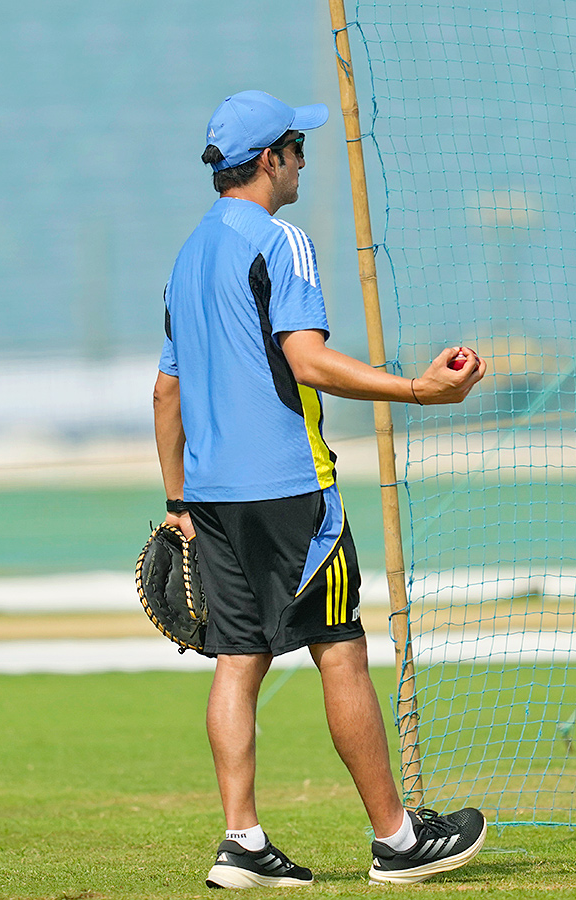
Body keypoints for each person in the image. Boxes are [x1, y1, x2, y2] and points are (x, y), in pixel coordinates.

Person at [153, 89, 490, 888]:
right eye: (297, 147)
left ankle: (241, 841)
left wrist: (177, 506)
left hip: (210, 497)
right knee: (339, 646)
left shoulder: (187, 254)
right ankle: (398, 840)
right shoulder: (282, 241)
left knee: (237, 661)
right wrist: (416, 391)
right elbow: (305, 361)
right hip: (289, 490)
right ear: (269, 159)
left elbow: (166, 394)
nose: (305, 160)